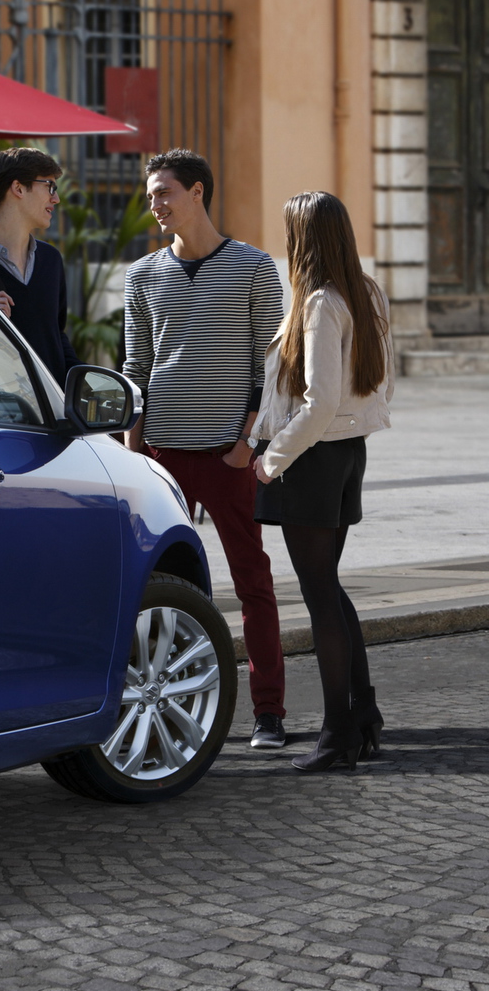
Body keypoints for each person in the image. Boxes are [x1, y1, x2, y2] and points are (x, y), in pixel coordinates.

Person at [122, 149, 289, 750]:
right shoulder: (142, 274)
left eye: (164, 192)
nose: (155, 205)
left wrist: (246, 443)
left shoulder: (253, 267)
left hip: (227, 457)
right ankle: (162, 704)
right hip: (161, 459)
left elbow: (270, 369)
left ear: (197, 192)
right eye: (150, 196)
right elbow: (136, 370)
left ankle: (269, 711)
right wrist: (134, 455)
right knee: (153, 589)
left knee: (252, 581)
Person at [252, 192, 393, 772]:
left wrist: (272, 458)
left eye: (290, 232)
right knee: (329, 588)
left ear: (303, 238)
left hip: (311, 460)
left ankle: (338, 737)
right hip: (347, 454)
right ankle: (363, 715)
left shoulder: (318, 302)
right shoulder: (366, 291)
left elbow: (320, 400)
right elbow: (382, 383)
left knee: (320, 597)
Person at [0, 147, 80, 383]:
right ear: (18, 188)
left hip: (52, 403)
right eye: (49, 187)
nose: (56, 198)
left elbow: (55, 335)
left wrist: (83, 381)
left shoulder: (51, 259)